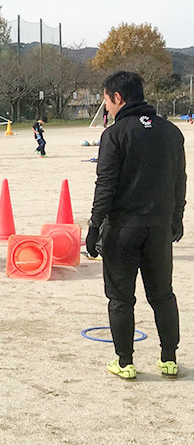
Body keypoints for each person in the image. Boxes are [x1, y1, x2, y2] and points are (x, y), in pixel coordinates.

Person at [86, 71, 187, 380]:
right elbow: (179, 180)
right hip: (158, 228)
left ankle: (125, 362)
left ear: (118, 98)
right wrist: (177, 218)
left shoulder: (115, 134)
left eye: (106, 100)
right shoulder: (171, 132)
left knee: (120, 298)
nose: (106, 107)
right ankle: (169, 358)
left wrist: (94, 225)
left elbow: (106, 184)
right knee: (162, 295)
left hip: (122, 230)